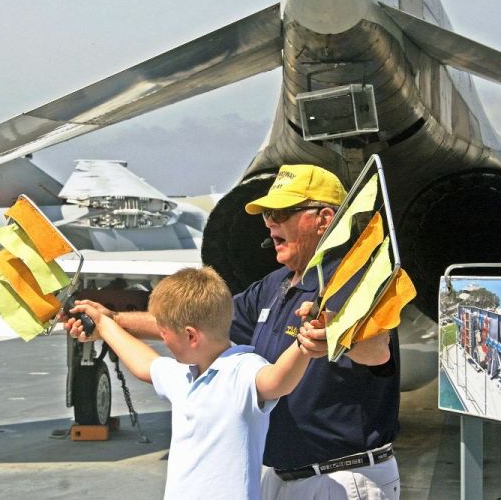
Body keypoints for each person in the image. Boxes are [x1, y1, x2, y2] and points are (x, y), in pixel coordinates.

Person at [64, 164, 402, 499]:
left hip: (338, 479)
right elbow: (196, 321)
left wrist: (338, 334)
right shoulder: (274, 287)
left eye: (281, 213)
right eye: (267, 214)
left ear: (324, 220)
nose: (269, 223)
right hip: (281, 480)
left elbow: (379, 351)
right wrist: (111, 320)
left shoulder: (356, 282)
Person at [67, 267, 320, 500]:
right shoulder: (184, 374)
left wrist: (304, 342)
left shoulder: (241, 371)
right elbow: (145, 364)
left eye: (164, 332)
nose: (163, 340)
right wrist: (104, 324)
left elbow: (278, 380)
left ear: (190, 336)